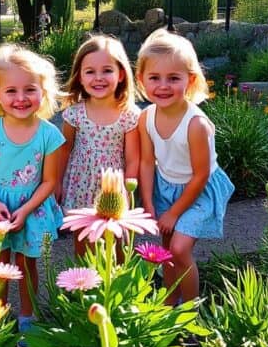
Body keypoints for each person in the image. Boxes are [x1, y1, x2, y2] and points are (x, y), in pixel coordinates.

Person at [0, 44, 64, 346]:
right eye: (11, 91)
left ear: (43, 92)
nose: (21, 98)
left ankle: (27, 318)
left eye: (30, 89)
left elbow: (49, 181)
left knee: (28, 266)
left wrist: (27, 209)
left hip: (32, 209)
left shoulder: (49, 134)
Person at [136, 29, 234, 305]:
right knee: (167, 251)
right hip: (166, 187)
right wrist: (148, 203)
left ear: (190, 81)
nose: (163, 86)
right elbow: (147, 161)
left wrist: (174, 213)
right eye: (154, 78)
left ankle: (191, 310)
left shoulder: (195, 125)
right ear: (141, 79)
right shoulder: (146, 117)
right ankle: (170, 305)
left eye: (173, 78)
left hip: (198, 191)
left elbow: (201, 175)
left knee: (179, 249)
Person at [57, 35, 141, 258]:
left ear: (121, 74)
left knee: (118, 241)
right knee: (83, 241)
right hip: (81, 183)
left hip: (112, 186)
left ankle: (118, 278)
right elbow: (64, 149)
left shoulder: (129, 115)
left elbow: (133, 158)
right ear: (80, 77)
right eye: (90, 72)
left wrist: (128, 190)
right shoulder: (74, 114)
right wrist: (56, 182)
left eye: (107, 70)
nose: (98, 78)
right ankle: (84, 278)